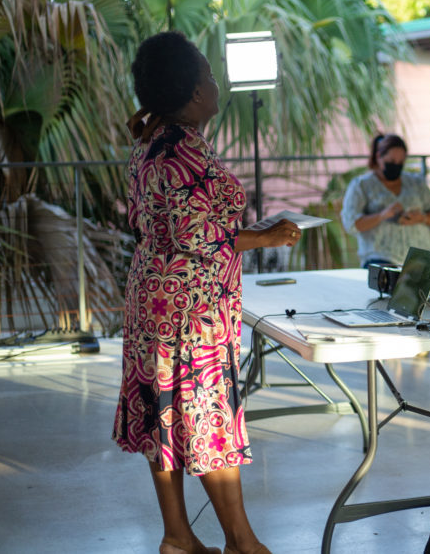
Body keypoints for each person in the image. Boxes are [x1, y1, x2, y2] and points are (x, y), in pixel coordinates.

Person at [114, 31, 300, 554]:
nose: (217, 82)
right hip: (189, 312)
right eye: (209, 74)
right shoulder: (183, 151)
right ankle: (242, 543)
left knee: (165, 414)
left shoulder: (154, 141)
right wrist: (266, 236)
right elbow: (196, 237)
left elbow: (153, 222)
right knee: (206, 418)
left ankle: (178, 537)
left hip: (155, 298)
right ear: (194, 93)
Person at [341, 133, 430, 268]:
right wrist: (382, 216)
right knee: (391, 281)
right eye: (391, 161)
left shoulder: (416, 183)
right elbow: (351, 224)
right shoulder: (361, 185)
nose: (396, 166)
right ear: (379, 157)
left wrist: (422, 218)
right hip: (380, 258)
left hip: (420, 257)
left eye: (401, 163)